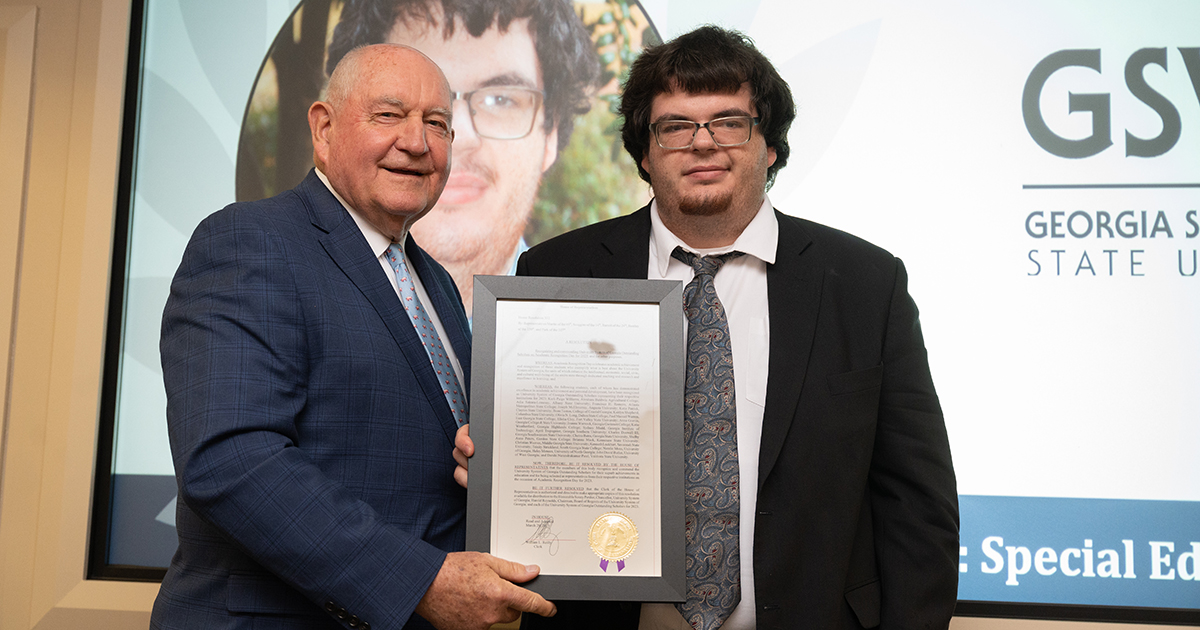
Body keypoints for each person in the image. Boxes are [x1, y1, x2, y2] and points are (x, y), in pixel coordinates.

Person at [455, 25, 959, 629]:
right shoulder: (557, 270)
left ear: (769, 145)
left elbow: (917, 504)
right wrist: (498, 461)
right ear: (644, 152)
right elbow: (537, 451)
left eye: (729, 121)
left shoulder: (864, 284)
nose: (703, 143)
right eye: (675, 126)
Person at [154, 44, 556, 630]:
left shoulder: (436, 283)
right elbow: (232, 461)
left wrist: (490, 462)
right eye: (389, 115)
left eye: (436, 124)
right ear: (323, 128)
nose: (417, 143)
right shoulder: (250, 242)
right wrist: (419, 581)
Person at [326, 0, 600, 313]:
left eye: (501, 99)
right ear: (331, 129)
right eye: (399, 105)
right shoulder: (284, 285)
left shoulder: (599, 316)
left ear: (551, 134)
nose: (460, 137)